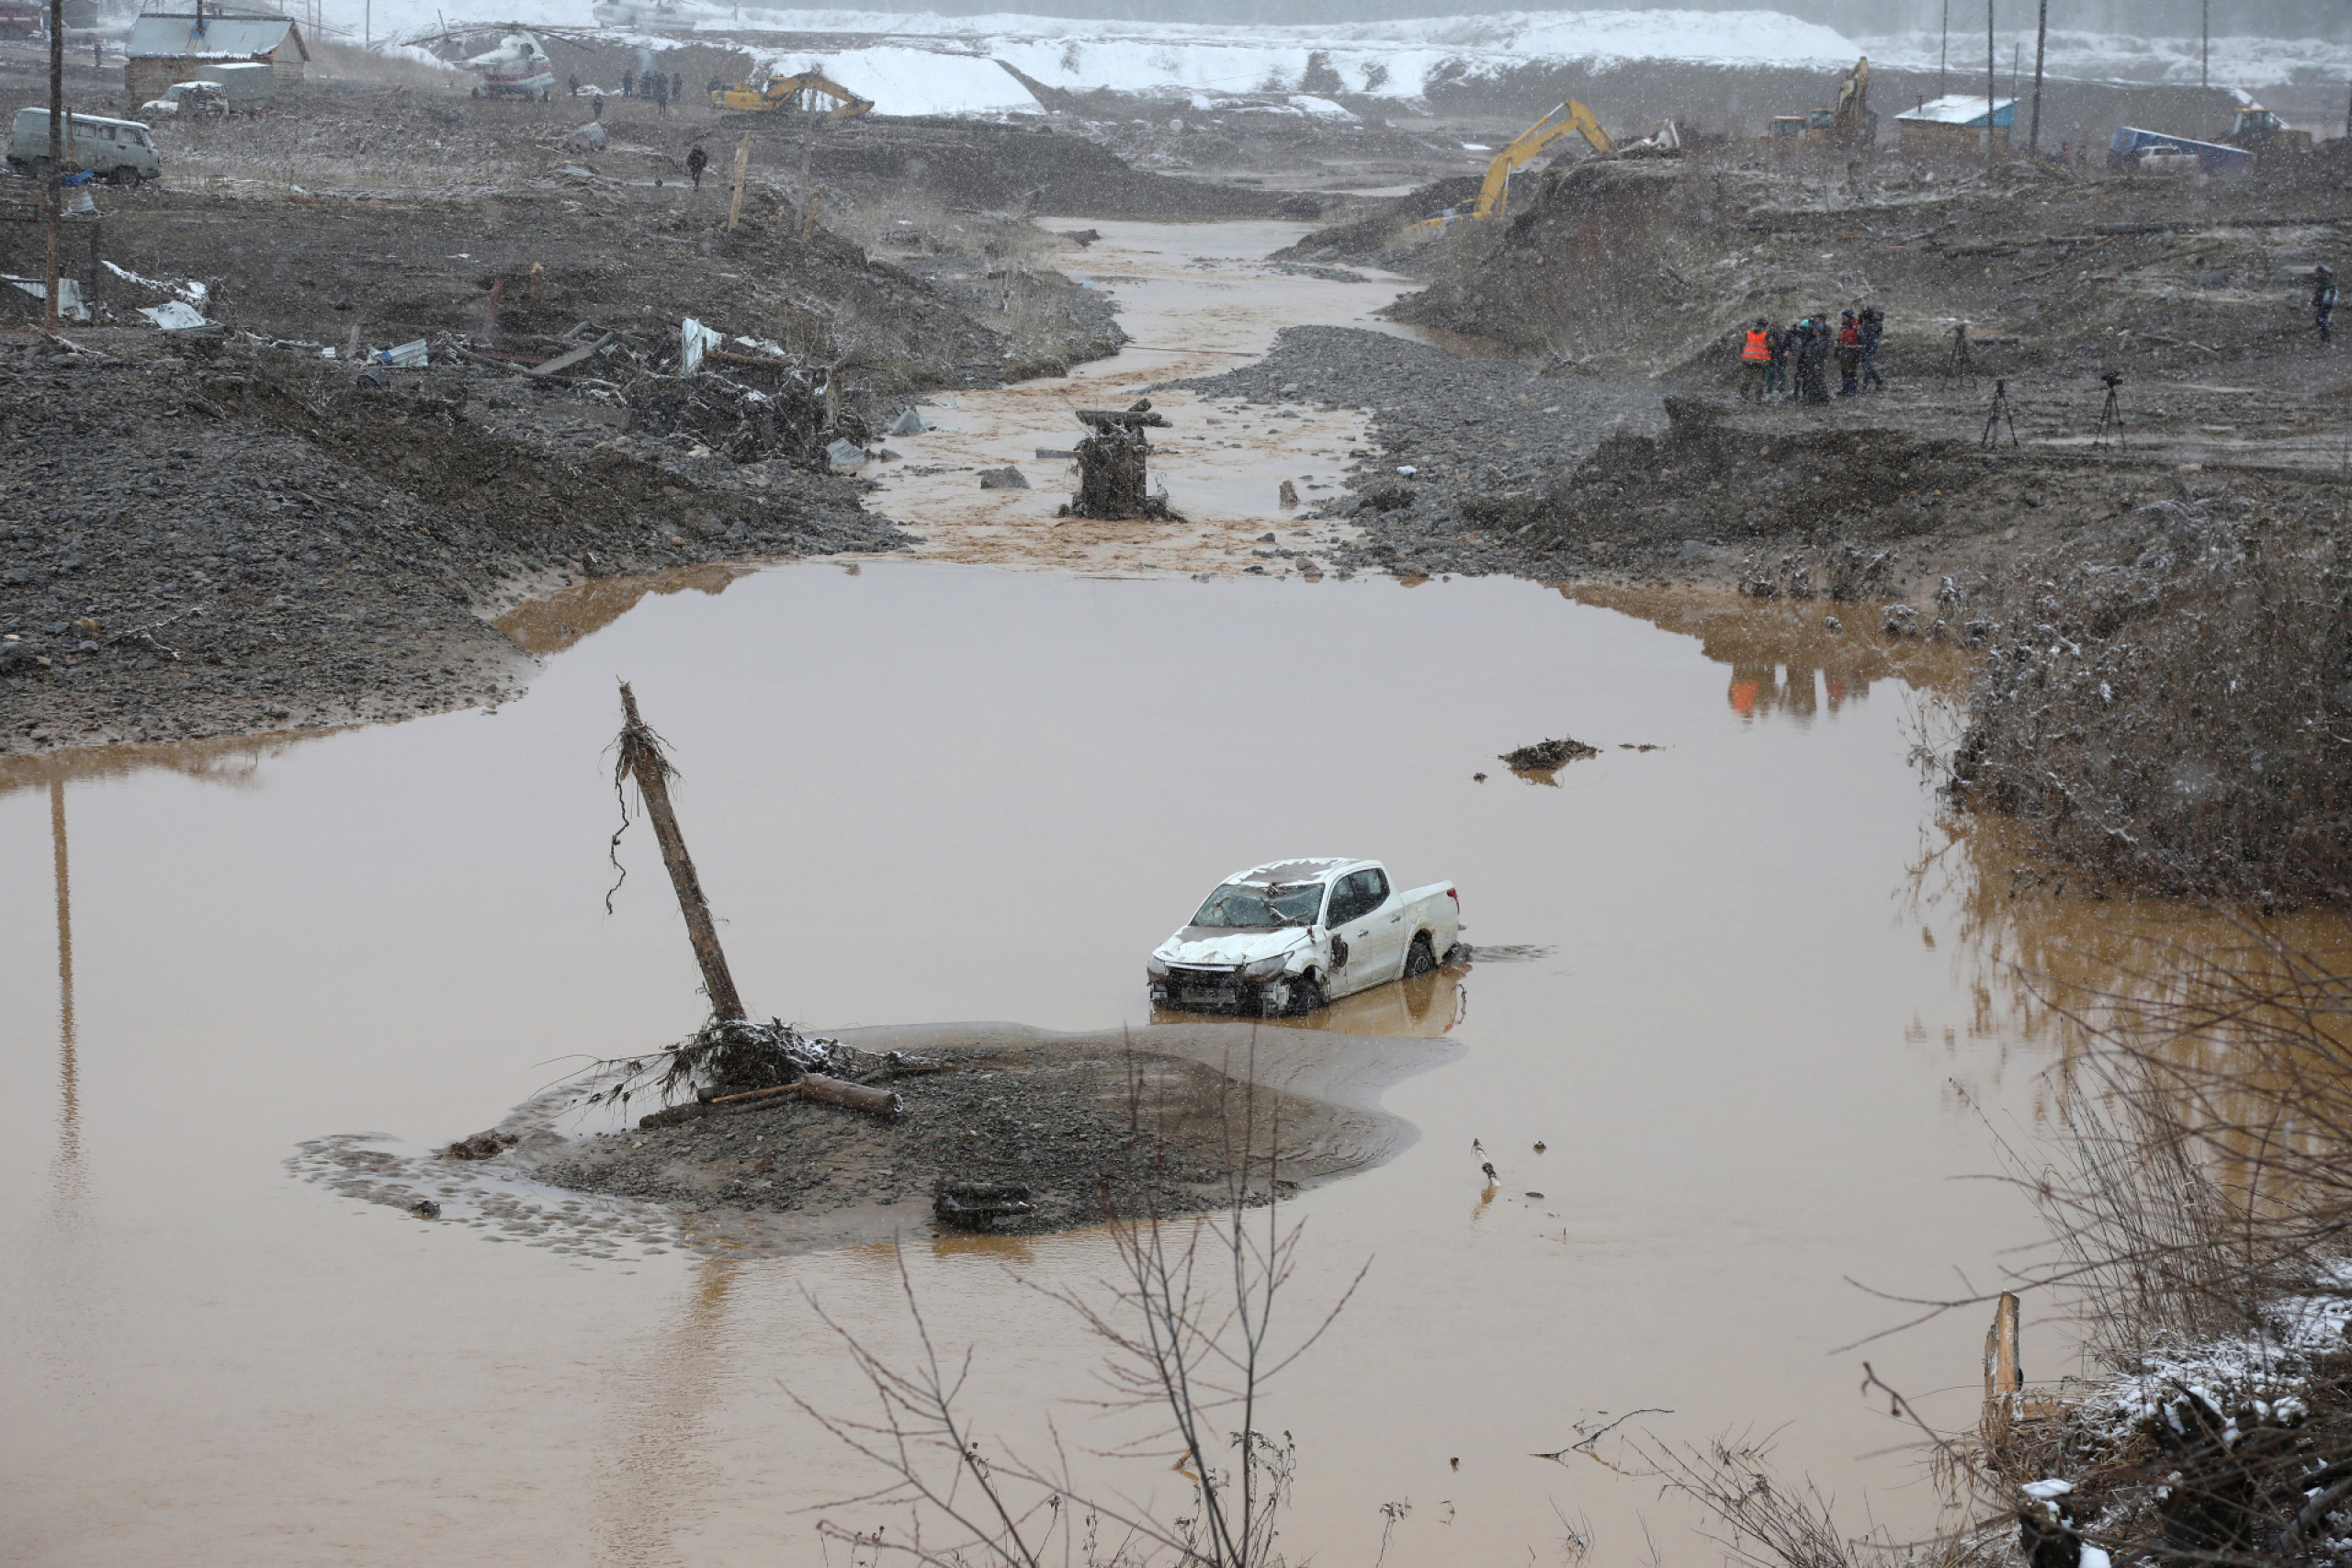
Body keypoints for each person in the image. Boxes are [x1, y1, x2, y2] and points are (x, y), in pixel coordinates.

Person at [1738, 317, 1771, 402]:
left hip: (1748, 358)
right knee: (1759, 379)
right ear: (1765, 326)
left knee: (1747, 378)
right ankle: (1758, 398)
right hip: (1760, 360)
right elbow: (1771, 345)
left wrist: (1744, 353)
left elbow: (1741, 344)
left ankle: (1743, 395)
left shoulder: (1748, 333)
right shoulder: (1766, 334)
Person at [1834, 310, 1862, 396]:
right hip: (1844, 351)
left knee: (1851, 371)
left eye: (1845, 317)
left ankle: (1852, 389)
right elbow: (1840, 338)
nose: (1843, 318)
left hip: (1852, 352)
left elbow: (1861, 341)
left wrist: (1857, 351)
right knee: (1844, 371)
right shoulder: (1844, 327)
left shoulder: (1855, 327)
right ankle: (1845, 389)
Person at [1859, 307, 1885, 390]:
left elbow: (1871, 330)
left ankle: (1865, 385)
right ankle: (1878, 380)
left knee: (1867, 366)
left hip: (1871, 346)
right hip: (1865, 345)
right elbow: (1861, 329)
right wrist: (1862, 319)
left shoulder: (1878, 324)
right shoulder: (1870, 322)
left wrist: (1867, 320)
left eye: (1877, 315)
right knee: (1866, 365)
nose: (1875, 315)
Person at [2313, 265, 2337, 344]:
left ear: (2320, 272)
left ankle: (2326, 337)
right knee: (2321, 319)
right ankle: (2325, 337)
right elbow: (2321, 292)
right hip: (2324, 302)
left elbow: (2331, 289)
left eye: (2317, 272)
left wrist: (2329, 300)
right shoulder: (2323, 279)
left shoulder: (2327, 280)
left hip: (2327, 302)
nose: (2316, 274)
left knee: (2320, 319)